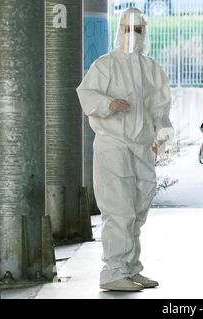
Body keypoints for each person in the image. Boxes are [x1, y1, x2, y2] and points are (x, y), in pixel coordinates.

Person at [77, 8, 173, 292]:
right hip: (113, 144)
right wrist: (109, 104)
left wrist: (162, 137)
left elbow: (160, 108)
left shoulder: (151, 68)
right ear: (120, 30)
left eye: (138, 30)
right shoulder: (105, 65)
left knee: (137, 208)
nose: (133, 35)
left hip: (142, 147)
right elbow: (87, 94)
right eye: (128, 29)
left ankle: (130, 268)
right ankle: (112, 271)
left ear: (145, 32)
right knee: (118, 209)